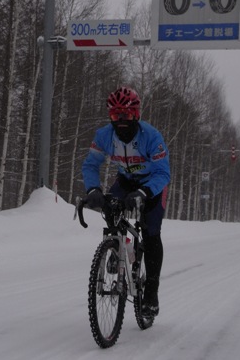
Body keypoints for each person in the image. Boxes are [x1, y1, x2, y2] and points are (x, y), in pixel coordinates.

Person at [82, 86, 170, 317]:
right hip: (126, 180)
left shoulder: (151, 136)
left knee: (151, 232)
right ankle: (116, 251)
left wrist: (144, 193)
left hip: (152, 184)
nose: (121, 121)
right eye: (115, 116)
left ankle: (151, 291)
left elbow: (163, 173)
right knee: (110, 207)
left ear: (136, 115)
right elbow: (91, 165)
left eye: (126, 116)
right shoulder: (104, 136)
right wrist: (93, 188)